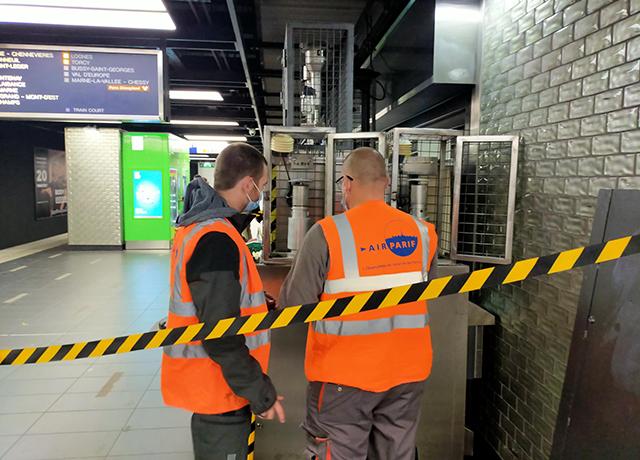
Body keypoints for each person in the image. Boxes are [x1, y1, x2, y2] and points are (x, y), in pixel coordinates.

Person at [279, 147, 438, 460]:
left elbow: (293, 308)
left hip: (344, 378)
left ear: (347, 183)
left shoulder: (327, 233)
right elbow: (426, 292)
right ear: (387, 182)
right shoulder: (423, 234)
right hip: (407, 375)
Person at [162, 143, 285, 460]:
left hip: (217, 389)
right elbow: (220, 335)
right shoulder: (216, 238)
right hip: (220, 391)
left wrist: (257, 306)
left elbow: (212, 300)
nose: (261, 194)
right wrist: (261, 392)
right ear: (248, 184)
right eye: (262, 185)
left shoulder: (203, 227)